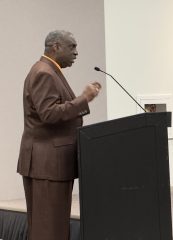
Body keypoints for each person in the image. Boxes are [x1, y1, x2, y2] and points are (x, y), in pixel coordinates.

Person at [17, 30, 101, 240]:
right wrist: (84, 99)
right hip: (47, 164)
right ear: (55, 47)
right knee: (49, 229)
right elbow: (49, 114)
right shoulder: (44, 73)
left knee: (50, 226)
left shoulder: (48, 70)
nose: (76, 53)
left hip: (48, 163)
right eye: (72, 47)